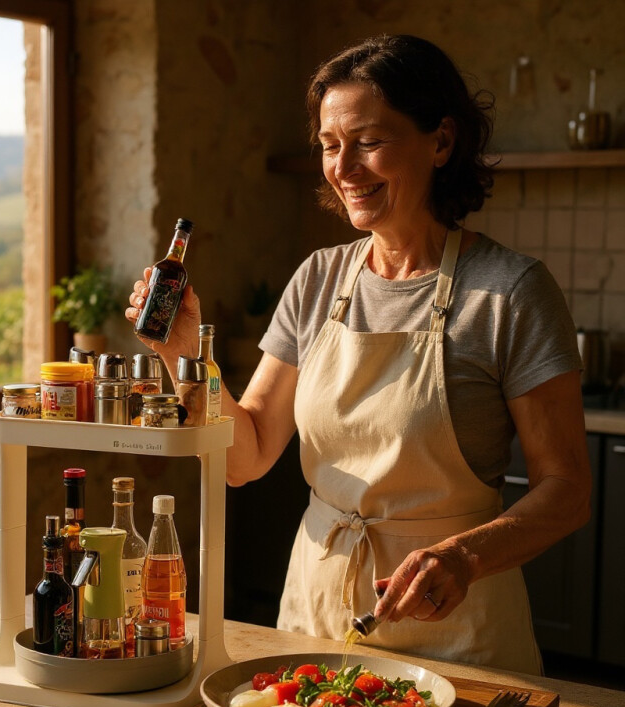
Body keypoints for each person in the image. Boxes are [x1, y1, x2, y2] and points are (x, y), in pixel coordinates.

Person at [125, 34, 591, 674]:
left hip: (459, 635)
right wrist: (185, 354)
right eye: (329, 145)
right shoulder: (317, 280)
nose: (343, 167)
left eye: (368, 141)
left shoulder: (510, 291)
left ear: (441, 141)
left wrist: (463, 557)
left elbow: (567, 491)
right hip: (316, 620)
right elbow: (245, 455)